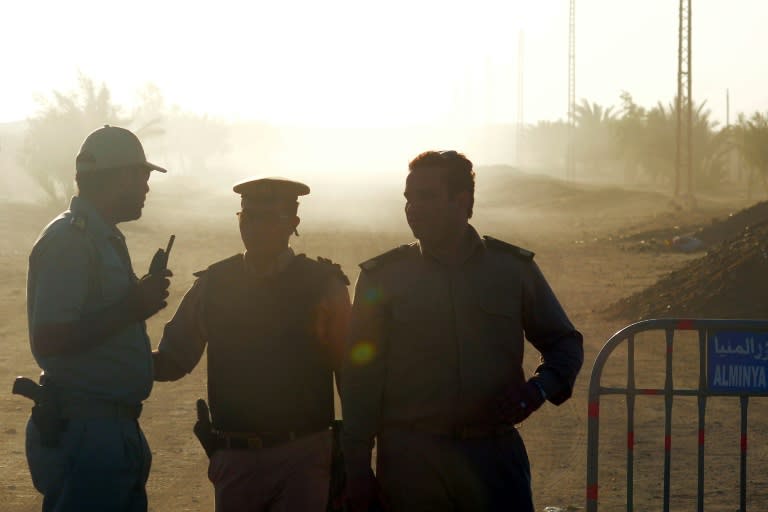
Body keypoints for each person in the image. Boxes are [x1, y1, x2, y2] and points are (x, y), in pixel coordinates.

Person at [341, 150, 584, 512]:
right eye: (408, 198)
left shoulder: (510, 270)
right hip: (412, 465)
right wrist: (357, 467)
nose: (412, 208)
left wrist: (537, 390)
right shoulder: (383, 278)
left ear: (463, 201)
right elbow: (360, 377)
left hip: (493, 460)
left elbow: (565, 343)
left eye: (426, 196)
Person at [153, 177, 351, 512]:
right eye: (248, 217)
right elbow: (173, 360)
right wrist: (113, 353)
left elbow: (349, 373)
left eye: (267, 218)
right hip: (236, 457)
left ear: (293, 223)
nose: (254, 228)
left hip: (304, 456)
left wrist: (355, 454)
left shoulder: (323, 285)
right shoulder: (213, 285)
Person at [24, 125, 172, 511]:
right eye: (142, 177)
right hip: (87, 432)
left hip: (108, 428)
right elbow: (50, 339)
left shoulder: (99, 237)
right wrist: (133, 307)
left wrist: (137, 303)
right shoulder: (70, 241)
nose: (146, 189)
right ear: (119, 177)